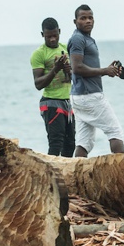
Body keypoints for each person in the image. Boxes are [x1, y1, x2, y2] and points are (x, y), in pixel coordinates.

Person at [68, 4, 124, 157]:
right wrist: (105, 71)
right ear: (75, 21)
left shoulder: (86, 39)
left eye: (90, 17)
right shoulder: (78, 39)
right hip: (89, 96)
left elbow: (84, 67)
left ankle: (75, 176)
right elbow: (77, 68)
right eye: (83, 18)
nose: (88, 21)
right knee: (115, 131)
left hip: (80, 96)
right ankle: (122, 174)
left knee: (84, 142)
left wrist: (108, 70)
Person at [30, 17, 75, 156]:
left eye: (55, 35)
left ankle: (66, 175)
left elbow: (75, 77)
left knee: (70, 144)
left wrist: (69, 71)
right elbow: (38, 84)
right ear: (42, 34)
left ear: (59, 32)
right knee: (56, 143)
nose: (52, 39)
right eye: (48, 36)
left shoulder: (65, 48)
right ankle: (51, 176)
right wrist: (55, 69)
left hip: (68, 102)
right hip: (51, 102)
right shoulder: (39, 54)